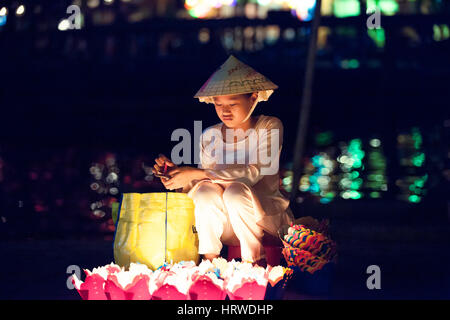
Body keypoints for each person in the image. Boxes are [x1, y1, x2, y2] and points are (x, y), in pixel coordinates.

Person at [152, 55, 294, 266]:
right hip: (227, 225)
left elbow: (254, 173)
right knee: (205, 191)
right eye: (219, 104)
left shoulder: (269, 126)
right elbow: (207, 183)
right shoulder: (210, 135)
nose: (224, 111)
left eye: (233, 104)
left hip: (263, 219)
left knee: (236, 192)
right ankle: (211, 261)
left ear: (253, 98)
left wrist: (196, 173)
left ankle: (254, 262)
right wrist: (177, 176)